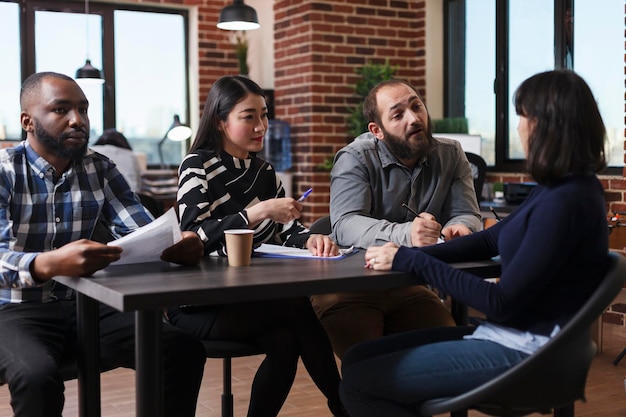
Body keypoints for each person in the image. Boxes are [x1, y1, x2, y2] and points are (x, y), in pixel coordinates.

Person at [339, 69, 609, 416]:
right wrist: (406, 251)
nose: (520, 128)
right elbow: (488, 239)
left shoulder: (568, 200)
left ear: (545, 125)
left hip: (528, 351)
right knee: (359, 357)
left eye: (523, 118)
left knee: (360, 382)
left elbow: (499, 302)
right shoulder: (558, 190)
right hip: (511, 336)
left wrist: (413, 261)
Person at [0, 72, 207, 417]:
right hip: (15, 309)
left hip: (86, 303)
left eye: (83, 109)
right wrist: (49, 263)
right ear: (28, 122)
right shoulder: (5, 171)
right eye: (61, 110)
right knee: (36, 376)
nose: (77, 120)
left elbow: (143, 231)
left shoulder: (100, 168)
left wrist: (179, 245)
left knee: (181, 348)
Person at [168, 75, 348, 417]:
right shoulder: (197, 165)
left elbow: (288, 233)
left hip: (250, 299)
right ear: (221, 122)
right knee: (294, 306)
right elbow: (194, 235)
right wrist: (258, 211)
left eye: (264, 115)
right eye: (248, 116)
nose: (260, 126)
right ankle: (343, 405)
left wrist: (311, 238)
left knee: (285, 341)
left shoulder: (266, 173)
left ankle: (341, 404)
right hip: (199, 304)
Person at [311, 79, 482, 358]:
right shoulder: (355, 157)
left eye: (417, 107)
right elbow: (344, 224)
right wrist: (407, 234)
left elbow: (466, 212)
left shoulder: (451, 154)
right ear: (377, 130)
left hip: (407, 285)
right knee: (369, 363)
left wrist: (459, 227)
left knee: (448, 356)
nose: (414, 118)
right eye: (398, 114)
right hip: (347, 287)